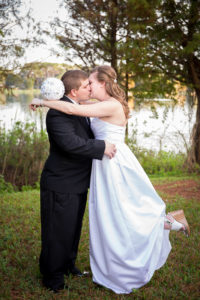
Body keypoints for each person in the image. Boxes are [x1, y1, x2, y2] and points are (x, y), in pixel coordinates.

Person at [30, 66, 190, 294]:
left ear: (102, 84)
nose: (89, 87)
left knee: (121, 213)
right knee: (110, 216)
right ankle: (59, 272)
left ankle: (168, 223)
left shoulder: (110, 104)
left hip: (112, 162)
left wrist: (43, 101)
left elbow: (73, 110)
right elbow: (71, 107)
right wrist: (47, 101)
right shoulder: (87, 105)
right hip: (97, 165)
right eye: (86, 85)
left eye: (91, 83)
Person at [32, 69, 116, 293]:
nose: (90, 87)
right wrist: (102, 147)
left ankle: (68, 265)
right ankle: (52, 277)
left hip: (77, 182)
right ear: (74, 91)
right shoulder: (57, 114)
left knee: (72, 229)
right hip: (61, 182)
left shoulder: (78, 108)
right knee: (57, 231)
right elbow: (71, 143)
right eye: (86, 86)